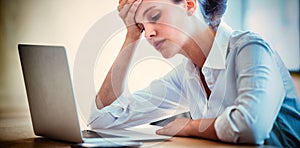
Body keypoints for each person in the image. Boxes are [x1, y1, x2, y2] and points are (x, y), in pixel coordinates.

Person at [88, 0, 300, 147]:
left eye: (154, 16)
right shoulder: (186, 74)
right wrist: (131, 36)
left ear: (189, 4)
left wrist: (189, 126)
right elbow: (103, 120)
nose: (149, 33)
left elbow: (250, 127)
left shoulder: (250, 48)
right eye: (142, 27)